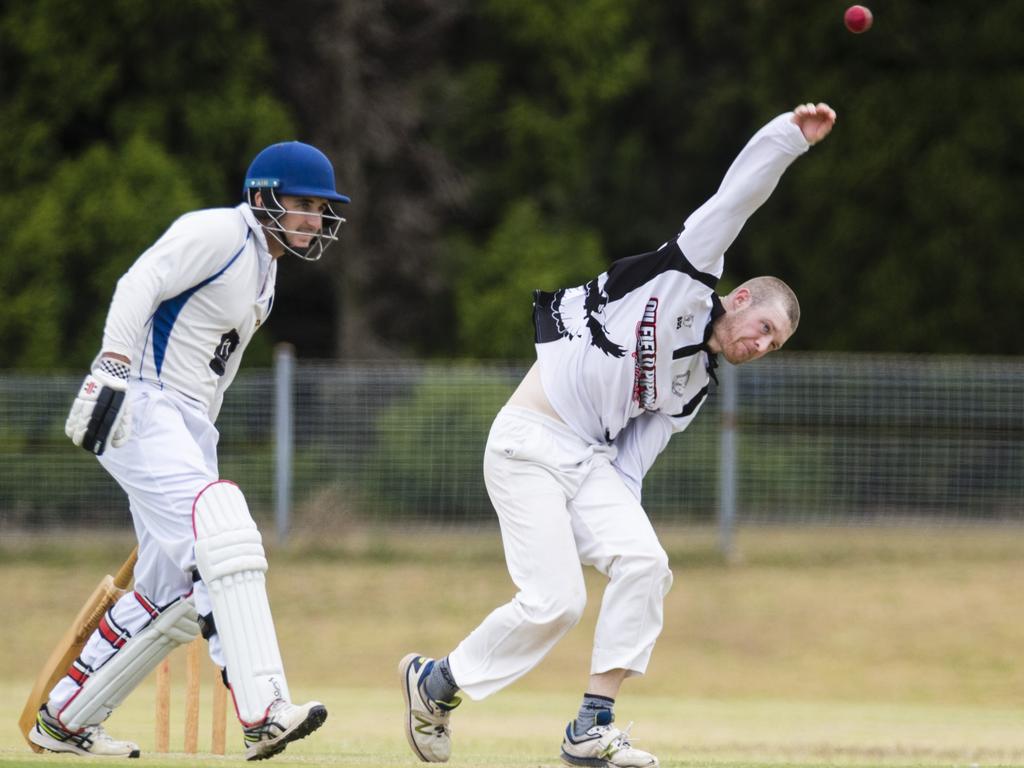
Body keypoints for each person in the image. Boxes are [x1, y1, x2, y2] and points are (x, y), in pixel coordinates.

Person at [399, 102, 836, 767]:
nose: (761, 345)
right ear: (742, 298)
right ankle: (435, 685)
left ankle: (590, 727)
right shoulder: (684, 274)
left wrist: (610, 532)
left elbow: (630, 469)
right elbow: (737, 197)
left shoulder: (694, 388)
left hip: (590, 464)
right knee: (557, 603)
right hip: (528, 440)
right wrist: (789, 140)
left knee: (646, 562)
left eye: (773, 346)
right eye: (766, 329)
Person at [30, 141, 350, 760]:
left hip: (186, 425)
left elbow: (211, 373)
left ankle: (65, 720)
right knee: (222, 532)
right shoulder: (219, 231)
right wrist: (114, 366)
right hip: (143, 405)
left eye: (321, 208)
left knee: (172, 594)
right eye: (303, 204)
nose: (313, 219)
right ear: (263, 198)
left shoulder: (266, 266)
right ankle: (265, 711)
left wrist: (198, 447)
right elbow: (140, 281)